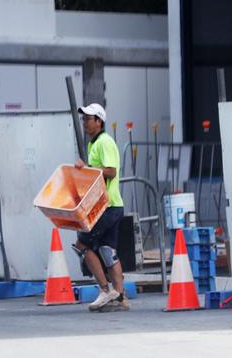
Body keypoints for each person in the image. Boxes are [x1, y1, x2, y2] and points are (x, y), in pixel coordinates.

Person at [74, 103, 129, 312]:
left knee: (82, 245)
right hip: (110, 206)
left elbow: (111, 171)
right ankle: (120, 297)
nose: (85, 123)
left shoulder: (104, 142)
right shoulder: (94, 143)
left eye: (88, 119)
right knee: (108, 251)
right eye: (84, 119)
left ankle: (105, 291)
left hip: (107, 207)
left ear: (99, 121)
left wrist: (86, 168)